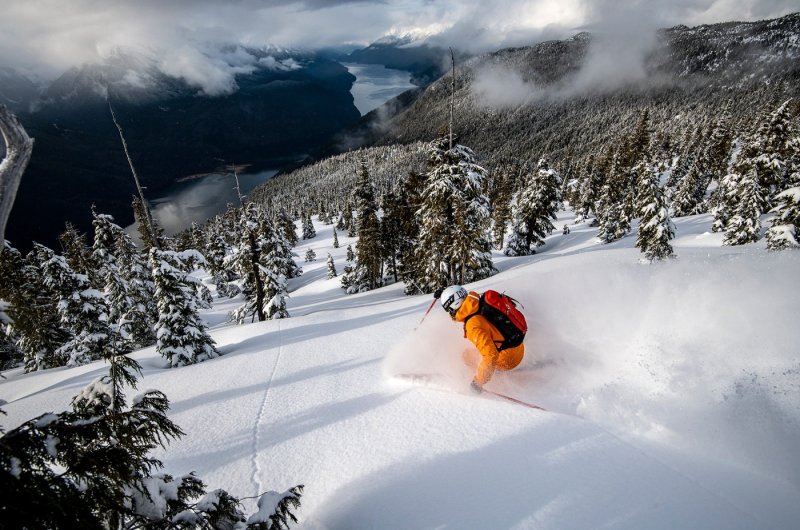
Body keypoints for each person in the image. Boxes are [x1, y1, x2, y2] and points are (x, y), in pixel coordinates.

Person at [436, 285, 525, 393]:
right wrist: (445, 294)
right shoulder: (478, 301)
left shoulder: (472, 325)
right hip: (519, 347)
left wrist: (478, 382)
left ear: (454, 305)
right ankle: (489, 368)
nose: (449, 313)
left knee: (467, 356)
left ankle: (490, 372)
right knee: (483, 346)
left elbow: (491, 355)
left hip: (508, 360)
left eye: (448, 309)